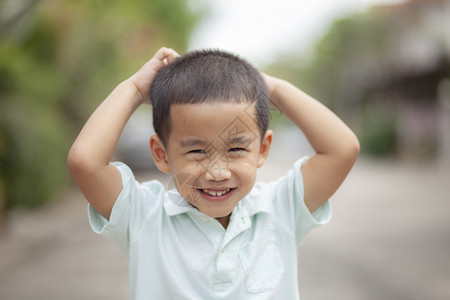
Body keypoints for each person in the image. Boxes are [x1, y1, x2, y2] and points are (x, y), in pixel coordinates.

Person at [68, 47, 359, 299]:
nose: (217, 172)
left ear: (262, 149)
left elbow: (343, 149)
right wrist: (133, 89)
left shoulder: (281, 207)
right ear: (161, 154)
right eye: (196, 151)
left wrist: (271, 88)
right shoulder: (144, 216)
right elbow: (85, 162)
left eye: (235, 150)